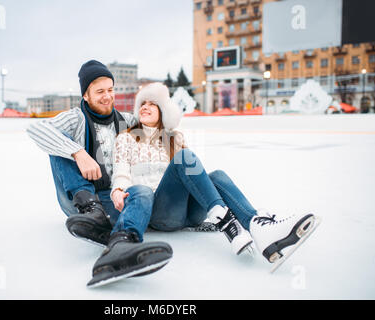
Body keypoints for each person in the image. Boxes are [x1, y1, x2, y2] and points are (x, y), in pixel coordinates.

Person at [107, 82, 317, 269]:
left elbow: (193, 178)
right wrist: (118, 189)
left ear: (163, 111)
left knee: (216, 176)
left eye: (152, 104)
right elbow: (122, 170)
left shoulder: (174, 138)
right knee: (184, 158)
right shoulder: (126, 138)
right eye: (142, 103)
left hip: (189, 215)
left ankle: (257, 225)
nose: (145, 107)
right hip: (161, 213)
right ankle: (227, 222)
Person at [27, 61, 173, 287]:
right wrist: (78, 152)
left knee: (141, 191)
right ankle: (92, 212)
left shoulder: (125, 120)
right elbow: (37, 128)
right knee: (59, 143)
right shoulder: (76, 118)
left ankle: (120, 246)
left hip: (111, 197)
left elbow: (157, 124)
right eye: (100, 92)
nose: (107, 96)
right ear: (85, 95)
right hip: (80, 203)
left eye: (110, 90)